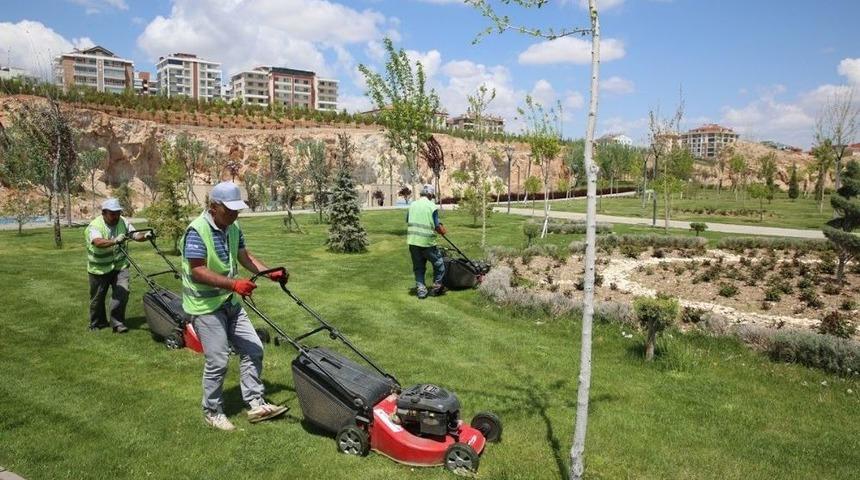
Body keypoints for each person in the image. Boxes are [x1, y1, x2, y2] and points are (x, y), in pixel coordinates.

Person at [181, 181, 288, 431]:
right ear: (214, 206)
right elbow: (197, 271)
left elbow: (244, 256)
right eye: (230, 210)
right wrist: (234, 285)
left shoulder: (233, 226)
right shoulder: (196, 231)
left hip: (228, 301)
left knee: (254, 348)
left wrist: (268, 273)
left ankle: (255, 403)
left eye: (237, 210)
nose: (235, 214)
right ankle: (212, 411)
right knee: (218, 360)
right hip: (204, 305)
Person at [86, 198, 151, 333]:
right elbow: (98, 242)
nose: (116, 216)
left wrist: (146, 235)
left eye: (118, 213)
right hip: (99, 268)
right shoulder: (95, 226)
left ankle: (117, 322)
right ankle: (97, 323)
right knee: (98, 298)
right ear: (104, 213)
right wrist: (115, 241)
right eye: (112, 213)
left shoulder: (123, 221)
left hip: (120, 266)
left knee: (122, 292)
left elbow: (134, 235)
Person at [406, 184, 448, 299]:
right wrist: (443, 231)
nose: (432, 198)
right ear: (430, 194)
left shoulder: (413, 205)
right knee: (439, 264)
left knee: (419, 267)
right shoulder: (431, 206)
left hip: (413, 241)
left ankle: (421, 290)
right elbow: (437, 227)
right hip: (427, 242)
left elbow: (408, 220)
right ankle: (437, 287)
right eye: (432, 196)